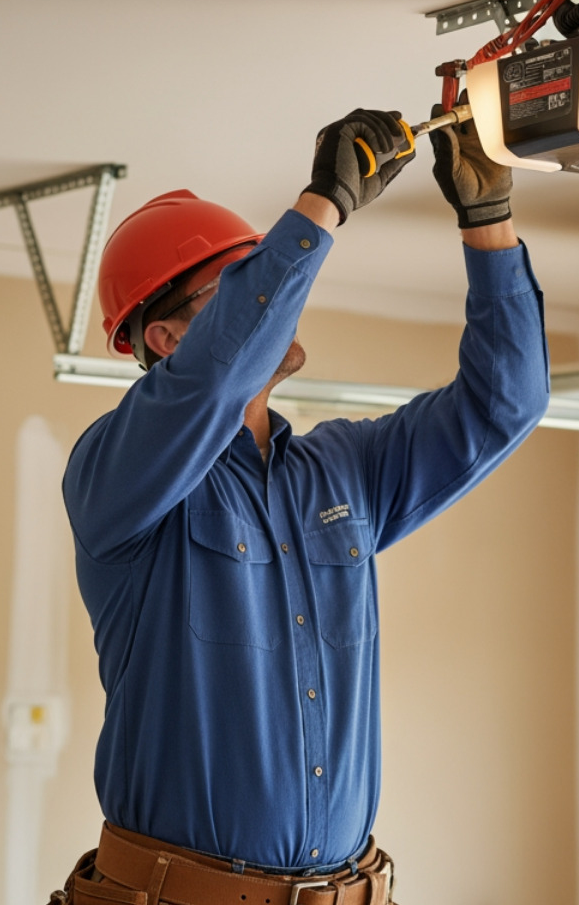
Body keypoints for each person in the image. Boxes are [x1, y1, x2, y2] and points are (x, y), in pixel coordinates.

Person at [53, 107, 549, 904]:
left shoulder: (340, 470)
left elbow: (506, 405)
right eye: (241, 288)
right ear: (168, 340)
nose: (276, 303)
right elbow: (217, 381)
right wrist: (321, 205)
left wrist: (488, 223)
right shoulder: (118, 476)